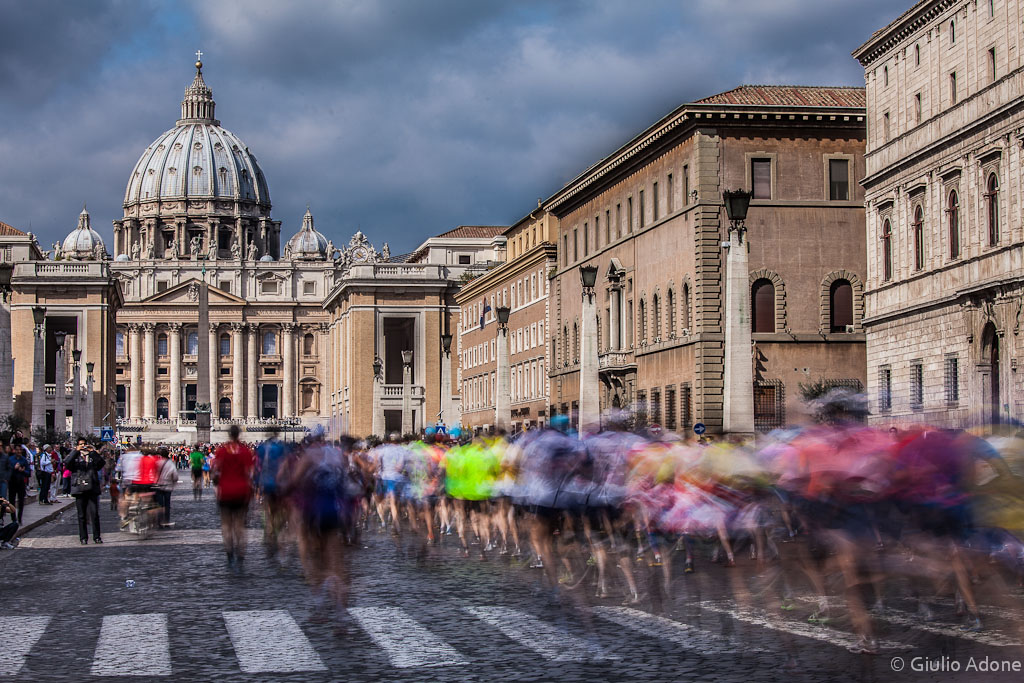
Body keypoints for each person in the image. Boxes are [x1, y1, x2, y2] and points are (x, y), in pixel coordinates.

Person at [213, 425, 256, 571]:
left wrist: (216, 483)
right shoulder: (245, 451)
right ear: (239, 434)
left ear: (229, 435)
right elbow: (251, 473)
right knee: (240, 526)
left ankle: (230, 555)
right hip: (242, 491)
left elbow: (215, 472)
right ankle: (241, 556)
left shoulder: (222, 451)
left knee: (226, 525)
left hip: (225, 491)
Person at [66, 440, 105, 544]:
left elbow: (101, 464)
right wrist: (75, 452)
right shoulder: (75, 457)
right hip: (79, 488)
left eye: (85, 444)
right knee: (81, 515)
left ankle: (97, 536)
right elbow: (67, 463)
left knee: (94, 514)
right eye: (81, 444)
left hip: (92, 487)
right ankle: (83, 537)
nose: (83, 446)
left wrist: (92, 452)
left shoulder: (92, 457)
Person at [7, 443, 31, 524]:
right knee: (11, 501)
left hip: (21, 481)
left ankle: (19, 518)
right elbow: (8, 471)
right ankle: (13, 519)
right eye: (17, 450)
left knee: (21, 501)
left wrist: (22, 470)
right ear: (14, 451)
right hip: (12, 482)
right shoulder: (10, 459)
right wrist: (14, 468)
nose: (19, 451)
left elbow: (28, 473)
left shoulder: (24, 460)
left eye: (20, 450)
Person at [155, 447, 178, 526]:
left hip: (158, 485)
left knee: (159, 504)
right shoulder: (170, 463)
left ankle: (159, 520)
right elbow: (175, 475)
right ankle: (166, 520)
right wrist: (174, 482)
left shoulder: (157, 463)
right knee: (167, 504)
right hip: (168, 486)